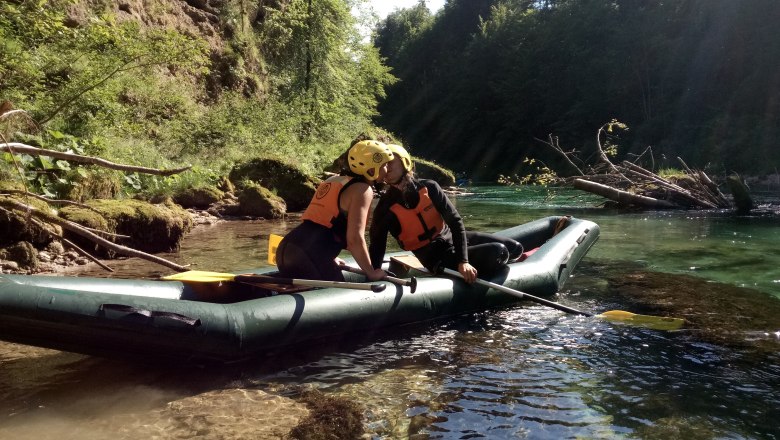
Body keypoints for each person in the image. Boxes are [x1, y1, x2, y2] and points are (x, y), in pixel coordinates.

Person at [369, 144, 523, 283]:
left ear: (405, 162)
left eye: (390, 162)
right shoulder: (384, 208)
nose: (386, 168)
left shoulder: (430, 187)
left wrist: (463, 261)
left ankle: (481, 265)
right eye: (382, 165)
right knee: (499, 251)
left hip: (451, 239)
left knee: (515, 248)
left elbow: (455, 221)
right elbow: (377, 245)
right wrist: (375, 272)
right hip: (436, 258)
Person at [276, 139, 393, 282]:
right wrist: (371, 272)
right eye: (385, 165)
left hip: (286, 249)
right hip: (309, 255)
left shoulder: (333, 180)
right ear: (371, 169)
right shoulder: (363, 190)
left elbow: (320, 224)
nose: (387, 169)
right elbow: (354, 239)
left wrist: (330, 256)